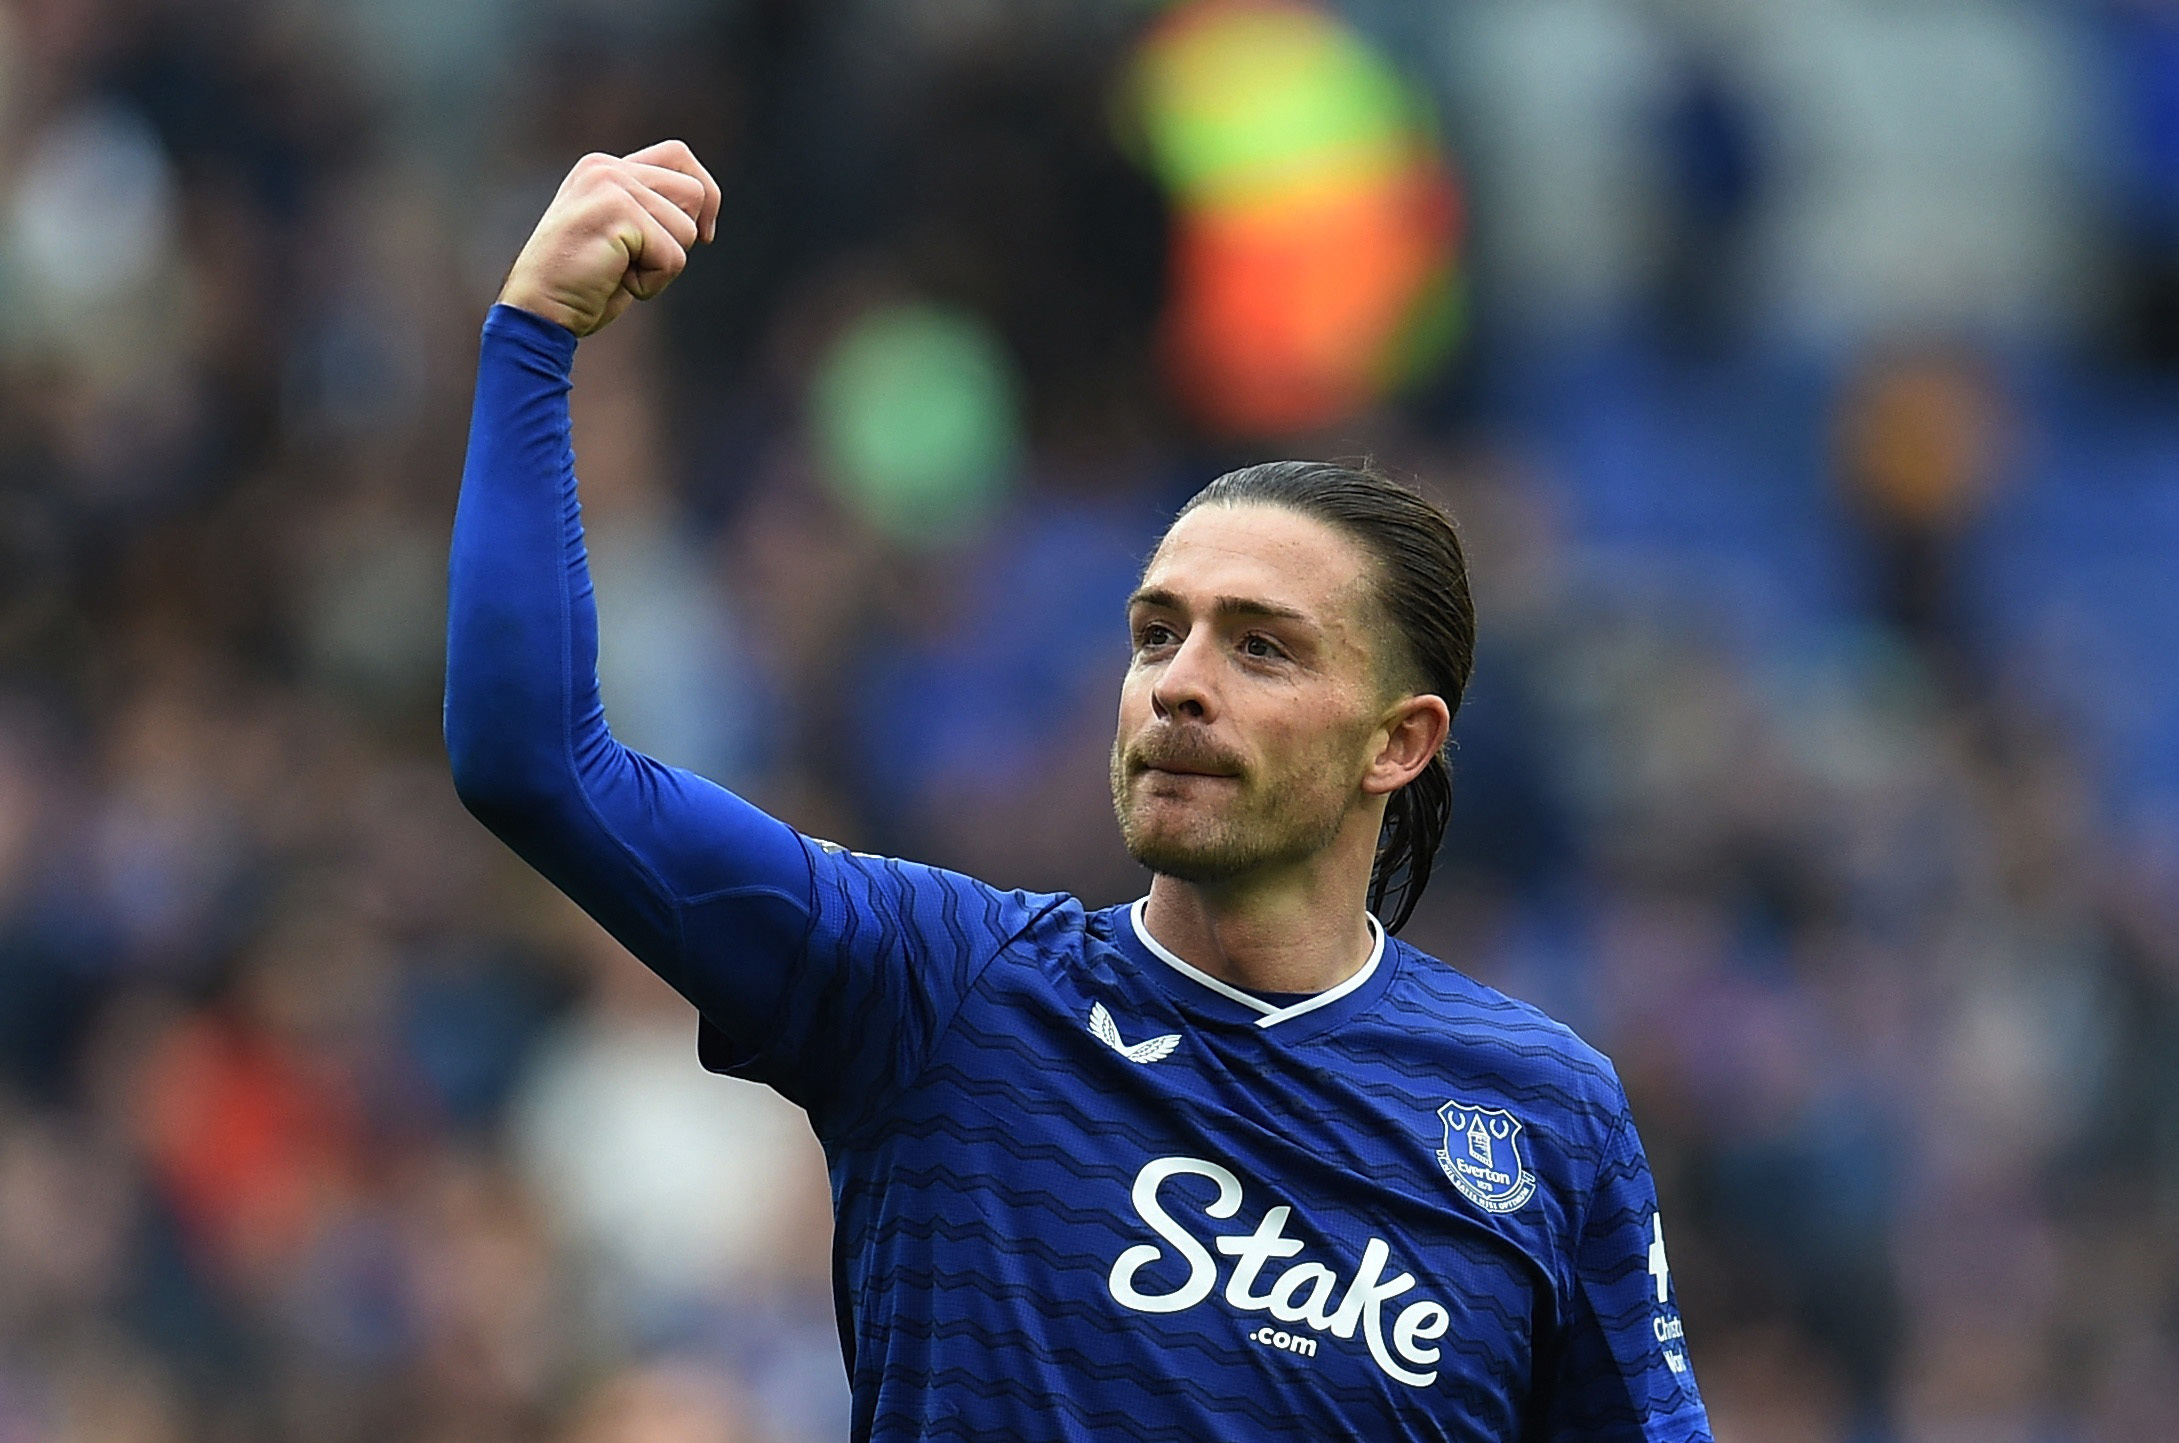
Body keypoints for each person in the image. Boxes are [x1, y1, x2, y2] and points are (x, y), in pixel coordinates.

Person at [446, 141, 1713, 1443]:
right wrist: (533, 336)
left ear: (1400, 743)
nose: (1180, 684)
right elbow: (536, 765)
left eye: (1261, 648)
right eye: (1157, 635)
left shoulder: (1538, 1115)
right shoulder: (944, 996)